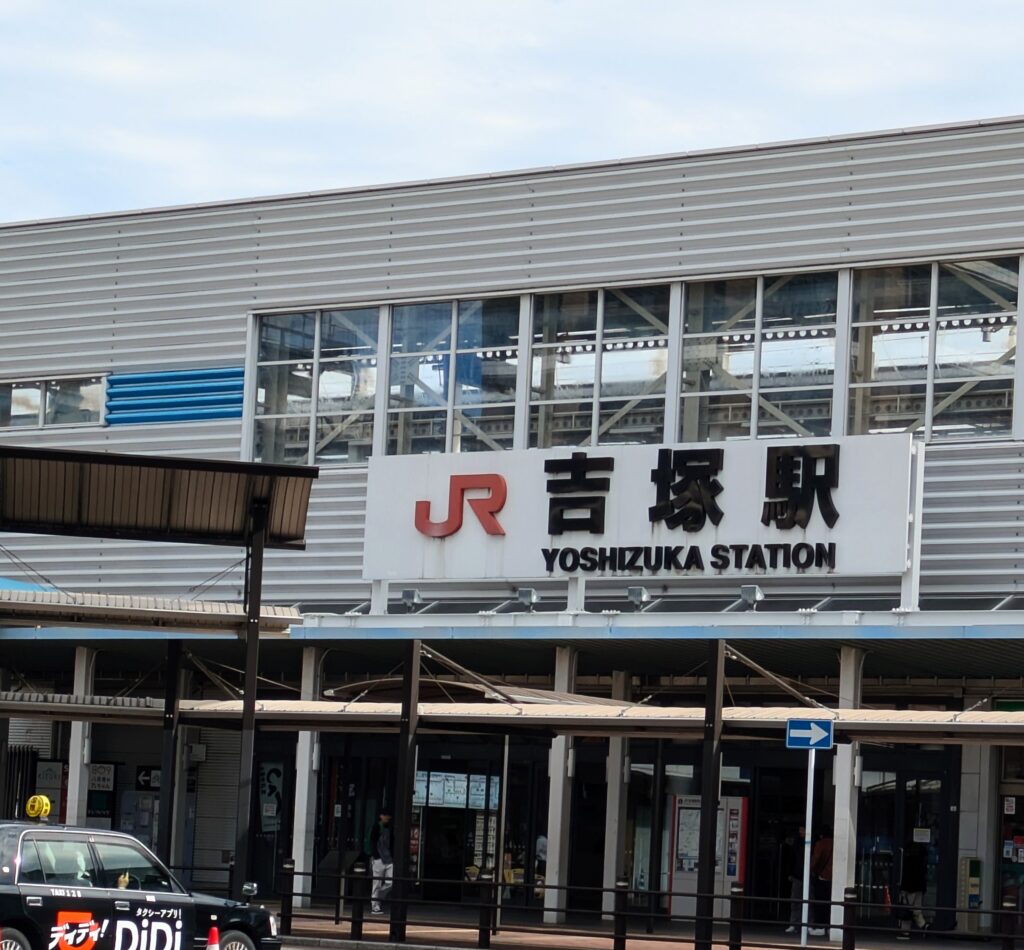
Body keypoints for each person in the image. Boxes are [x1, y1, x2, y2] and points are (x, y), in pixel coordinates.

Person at [896, 842, 929, 939]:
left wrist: (903, 890)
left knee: (907, 909)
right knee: (916, 910)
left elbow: (906, 877)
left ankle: (905, 932)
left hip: (909, 888)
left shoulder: (908, 861)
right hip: (919, 888)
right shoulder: (922, 861)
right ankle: (924, 926)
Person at [808, 826, 833, 937]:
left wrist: (811, 870)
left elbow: (816, 859)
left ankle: (820, 927)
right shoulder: (836, 843)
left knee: (820, 903)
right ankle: (830, 927)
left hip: (823, 877)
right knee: (831, 904)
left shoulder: (821, 844)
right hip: (834, 878)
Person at [369, 809, 394, 915]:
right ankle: (375, 906)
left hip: (387, 858)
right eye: (386, 815)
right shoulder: (376, 827)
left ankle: (377, 898)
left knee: (390, 882)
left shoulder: (389, 827)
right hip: (379, 858)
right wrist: (375, 855)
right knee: (377, 883)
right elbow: (372, 841)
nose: (388, 818)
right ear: (381, 816)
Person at [785, 825, 806, 934]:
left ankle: (807, 924)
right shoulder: (797, 843)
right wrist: (790, 873)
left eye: (802, 830)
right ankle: (794, 923)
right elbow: (791, 858)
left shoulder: (812, 842)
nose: (801, 832)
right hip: (797, 875)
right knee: (795, 901)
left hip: (807, 876)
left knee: (808, 902)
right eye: (800, 830)